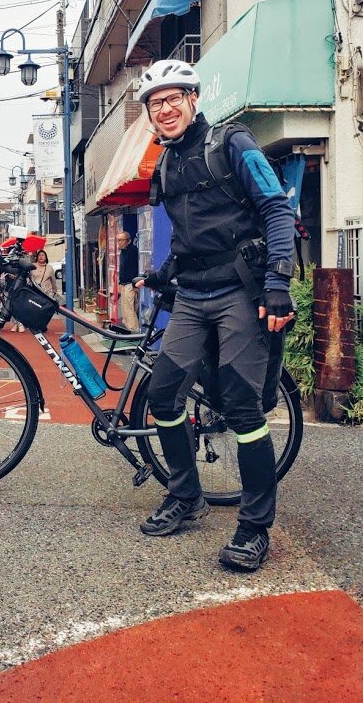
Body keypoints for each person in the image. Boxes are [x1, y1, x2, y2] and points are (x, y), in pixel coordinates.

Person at [134, 60, 295, 572]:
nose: (166, 108)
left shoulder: (231, 143)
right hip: (192, 297)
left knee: (243, 410)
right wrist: (161, 275)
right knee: (162, 396)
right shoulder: (165, 164)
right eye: (156, 103)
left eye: (173, 98)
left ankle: (253, 528)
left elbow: (276, 209)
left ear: (192, 99)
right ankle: (186, 496)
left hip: (239, 295)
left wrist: (277, 284)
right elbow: (187, 239)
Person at [117, 231, 139, 330]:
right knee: (124, 308)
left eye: (121, 240)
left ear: (128, 241)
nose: (119, 242)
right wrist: (119, 283)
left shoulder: (132, 251)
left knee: (130, 308)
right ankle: (128, 328)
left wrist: (135, 285)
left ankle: (133, 329)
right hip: (124, 284)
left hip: (131, 284)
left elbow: (135, 268)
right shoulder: (122, 252)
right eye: (118, 240)